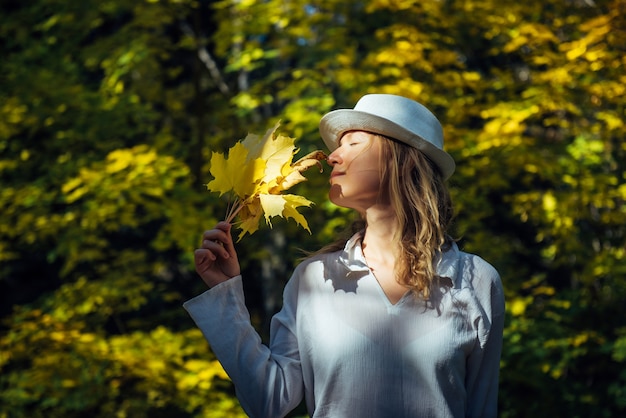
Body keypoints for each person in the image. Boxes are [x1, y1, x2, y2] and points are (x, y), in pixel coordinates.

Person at [184, 94, 505, 418]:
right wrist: (225, 298)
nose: (333, 156)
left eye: (352, 144)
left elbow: (482, 409)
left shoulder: (475, 280)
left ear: (403, 159)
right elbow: (269, 401)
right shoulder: (313, 279)